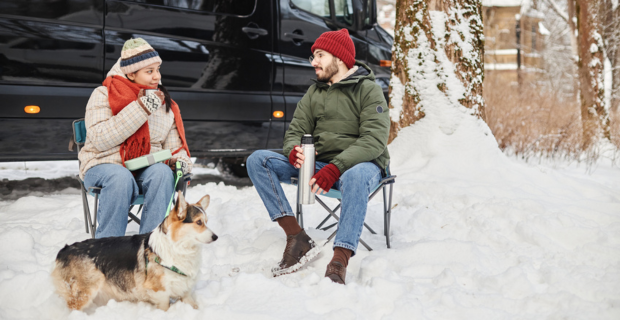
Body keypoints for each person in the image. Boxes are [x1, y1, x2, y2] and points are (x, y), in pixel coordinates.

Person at [247, 29, 390, 284]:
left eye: (320, 55)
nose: (313, 62)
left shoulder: (369, 90)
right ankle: (297, 237)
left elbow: (374, 141)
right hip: (321, 166)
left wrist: (336, 167)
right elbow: (295, 131)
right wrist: (293, 151)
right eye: (314, 56)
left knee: (355, 175)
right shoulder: (315, 93)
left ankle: (340, 259)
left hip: (361, 165)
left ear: (340, 57)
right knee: (258, 160)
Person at [78, 38, 192, 239]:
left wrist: (180, 162)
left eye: (158, 69)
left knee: (162, 173)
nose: (156, 76)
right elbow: (100, 140)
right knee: (120, 177)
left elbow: (175, 147)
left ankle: (150, 246)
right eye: (149, 71)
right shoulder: (103, 94)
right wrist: (141, 109)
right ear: (131, 73)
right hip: (102, 165)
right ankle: (107, 251)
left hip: (143, 168)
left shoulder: (164, 102)